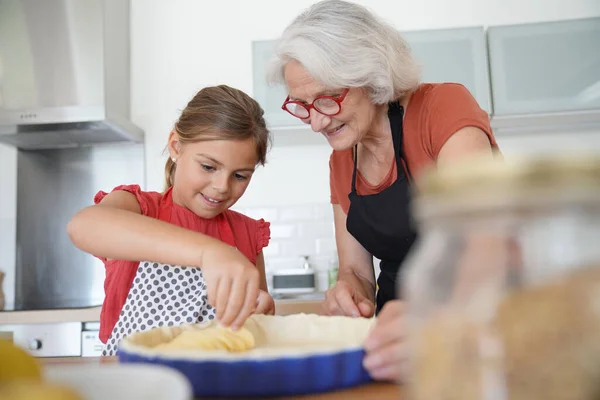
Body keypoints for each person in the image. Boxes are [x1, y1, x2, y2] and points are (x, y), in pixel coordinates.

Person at [268, 0, 500, 381]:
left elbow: (486, 245)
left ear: (372, 77)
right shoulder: (342, 161)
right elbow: (356, 270)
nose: (315, 122)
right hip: (396, 349)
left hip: (475, 333)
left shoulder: (441, 108)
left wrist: (431, 322)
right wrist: (349, 293)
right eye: (303, 105)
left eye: (328, 99)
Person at [67, 85, 274, 356]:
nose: (222, 186)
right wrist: (209, 252)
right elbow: (83, 226)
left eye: (240, 175)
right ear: (176, 147)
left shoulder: (248, 232)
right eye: (209, 167)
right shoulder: (139, 208)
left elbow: (255, 331)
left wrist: (262, 313)